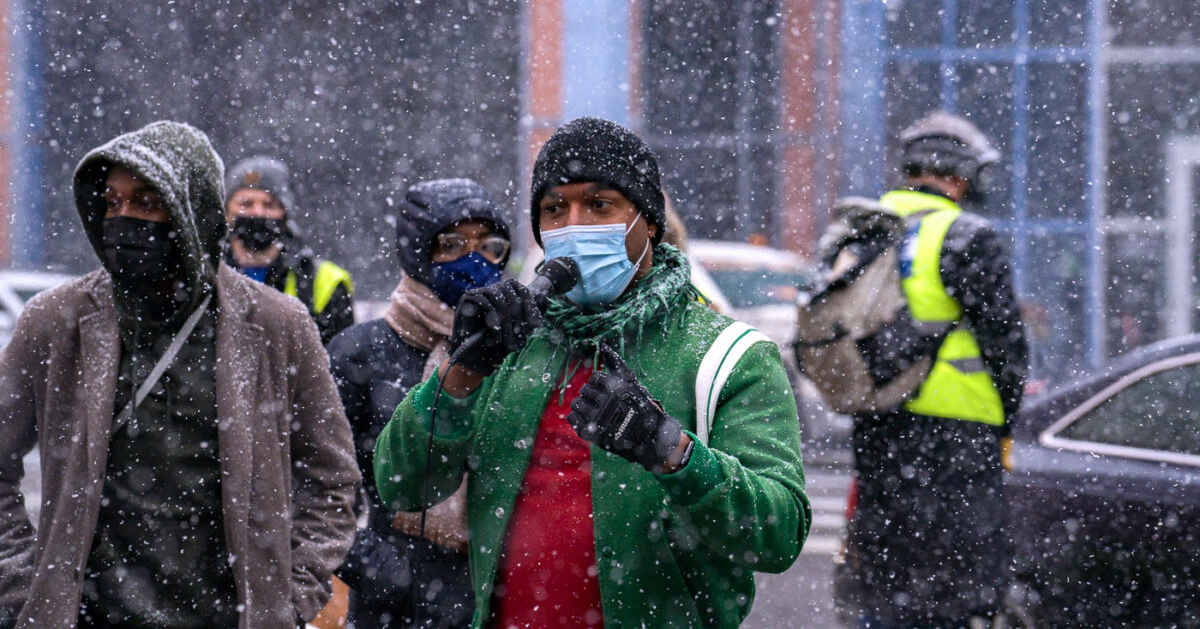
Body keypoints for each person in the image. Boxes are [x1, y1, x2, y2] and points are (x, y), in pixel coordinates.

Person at [374, 117, 810, 629]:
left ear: (648, 221)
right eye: (555, 209)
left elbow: (778, 535)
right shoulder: (512, 344)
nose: (575, 225)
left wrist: (673, 453)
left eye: (600, 205)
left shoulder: (729, 354)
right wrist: (462, 370)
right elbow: (402, 486)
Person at [0, 121, 360, 629]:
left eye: (147, 202)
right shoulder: (55, 321)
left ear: (195, 213)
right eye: (111, 202)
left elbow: (332, 480)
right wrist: (28, 585)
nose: (123, 219)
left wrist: (288, 596)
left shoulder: (279, 325)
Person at [847, 111, 1030, 628]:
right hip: (956, 435)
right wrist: (1006, 423)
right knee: (960, 583)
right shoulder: (965, 234)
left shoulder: (865, 224)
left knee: (888, 573)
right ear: (962, 175)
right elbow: (1006, 346)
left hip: (879, 423)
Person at [329, 178, 514, 628]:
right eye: (451, 244)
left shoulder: (518, 348)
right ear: (417, 252)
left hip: (498, 603)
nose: (474, 259)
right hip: (395, 612)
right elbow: (309, 487)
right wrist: (382, 572)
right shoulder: (360, 353)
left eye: (489, 244)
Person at [225, 156, 354, 343]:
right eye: (246, 204)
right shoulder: (205, 275)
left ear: (286, 214)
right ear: (227, 212)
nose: (258, 213)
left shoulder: (325, 282)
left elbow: (338, 363)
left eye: (269, 204)